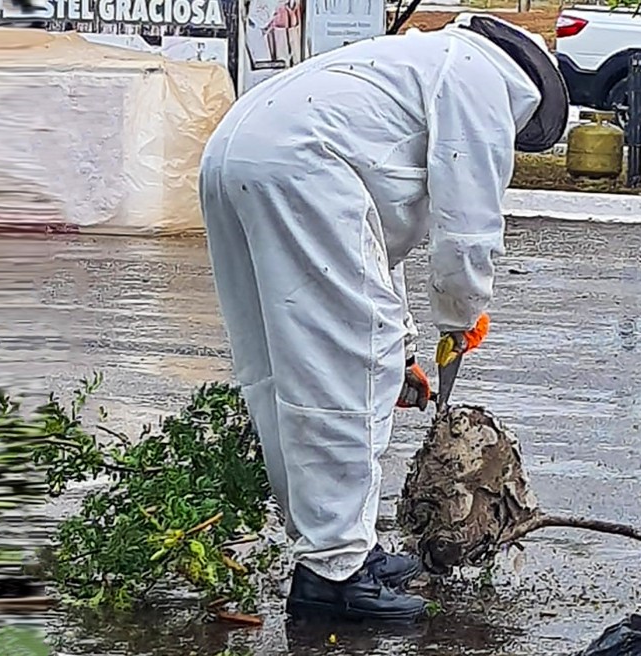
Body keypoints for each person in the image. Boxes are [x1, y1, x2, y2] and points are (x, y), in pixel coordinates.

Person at [198, 12, 567, 622]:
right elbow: (468, 229)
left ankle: (341, 547)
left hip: (236, 153)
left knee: (280, 368)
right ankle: (332, 576)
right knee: (340, 379)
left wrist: (402, 352)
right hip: (299, 167)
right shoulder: (478, 80)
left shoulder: (404, 68)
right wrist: (463, 314)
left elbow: (371, 247)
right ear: (530, 94)